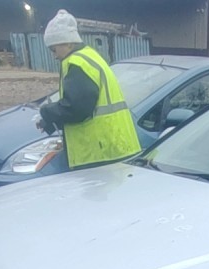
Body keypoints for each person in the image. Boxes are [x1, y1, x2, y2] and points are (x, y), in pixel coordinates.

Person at [36, 10, 141, 169]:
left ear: (68, 43)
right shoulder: (90, 56)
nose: (54, 56)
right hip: (111, 146)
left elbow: (76, 109)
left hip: (99, 151)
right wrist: (50, 121)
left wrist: (46, 112)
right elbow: (83, 102)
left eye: (54, 49)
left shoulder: (77, 63)